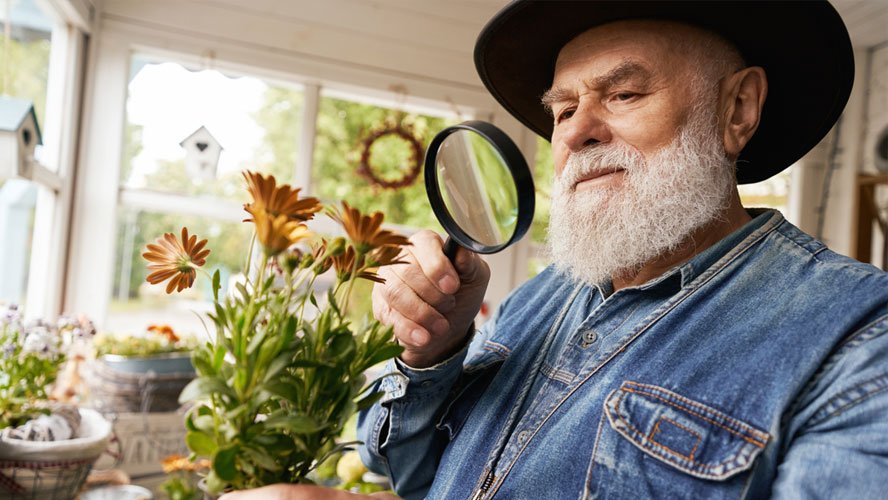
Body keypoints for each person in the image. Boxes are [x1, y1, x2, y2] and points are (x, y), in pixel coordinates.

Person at [225, 1, 888, 499]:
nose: (578, 133)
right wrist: (433, 357)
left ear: (738, 108)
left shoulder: (860, 337)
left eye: (622, 95)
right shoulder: (543, 296)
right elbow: (398, 464)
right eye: (563, 109)